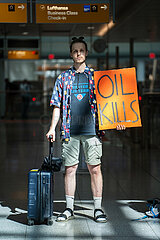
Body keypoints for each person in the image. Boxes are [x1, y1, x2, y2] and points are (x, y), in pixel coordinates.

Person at [46, 37, 125, 223]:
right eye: (75, 51)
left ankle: (97, 209)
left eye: (81, 50)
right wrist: (51, 129)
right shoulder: (63, 78)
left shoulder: (97, 77)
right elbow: (57, 106)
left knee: (95, 169)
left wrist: (118, 121)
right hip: (69, 131)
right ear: (71, 54)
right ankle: (69, 208)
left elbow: (110, 103)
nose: (78, 53)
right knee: (70, 170)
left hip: (92, 131)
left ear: (87, 53)